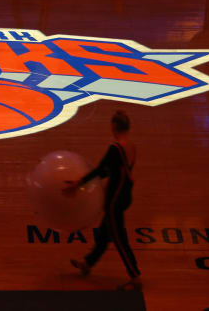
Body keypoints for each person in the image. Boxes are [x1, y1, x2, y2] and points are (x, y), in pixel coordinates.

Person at [63, 111, 142, 291]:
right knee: (105, 233)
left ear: (114, 126)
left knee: (120, 239)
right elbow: (112, 171)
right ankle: (88, 263)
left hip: (114, 199)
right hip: (125, 195)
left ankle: (135, 276)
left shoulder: (116, 148)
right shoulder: (131, 146)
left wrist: (78, 183)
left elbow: (101, 170)